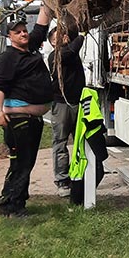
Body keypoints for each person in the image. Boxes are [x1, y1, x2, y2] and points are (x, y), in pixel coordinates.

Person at [0, 5, 54, 218]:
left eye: (23, 30)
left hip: (32, 120)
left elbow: (42, 23)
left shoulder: (30, 48)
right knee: (21, 163)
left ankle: (14, 201)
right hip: (19, 120)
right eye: (17, 32)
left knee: (26, 163)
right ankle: (12, 206)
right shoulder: (7, 58)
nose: (23, 33)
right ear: (9, 37)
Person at [48, 25, 85, 198]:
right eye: (57, 37)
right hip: (61, 105)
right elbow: (70, 52)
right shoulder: (55, 56)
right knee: (61, 142)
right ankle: (62, 180)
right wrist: (82, 36)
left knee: (81, 143)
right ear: (52, 42)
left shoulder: (72, 52)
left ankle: (80, 176)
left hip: (78, 103)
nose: (61, 38)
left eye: (63, 35)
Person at [69, 86, 108, 206]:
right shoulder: (89, 99)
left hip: (79, 158)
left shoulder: (86, 98)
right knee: (97, 171)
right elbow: (93, 123)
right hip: (85, 156)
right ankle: (82, 201)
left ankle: (78, 201)